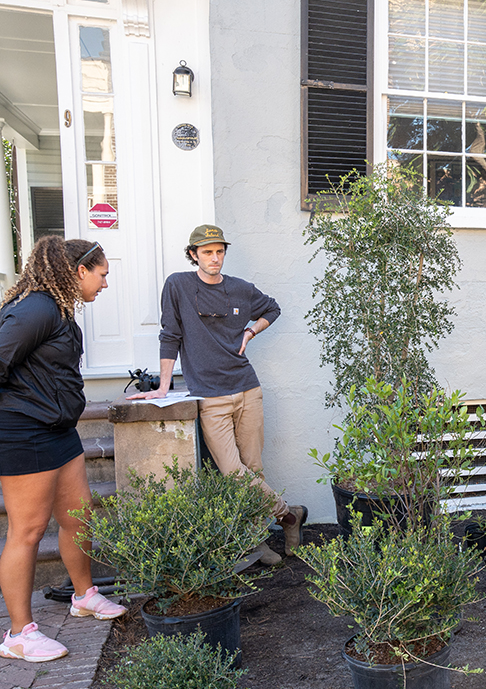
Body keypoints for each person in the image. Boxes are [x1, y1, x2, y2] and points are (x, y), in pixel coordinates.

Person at [128, 224, 305, 565]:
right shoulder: (178, 285)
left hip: (247, 389)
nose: (214, 258)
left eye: (219, 251)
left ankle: (256, 541)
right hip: (210, 396)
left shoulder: (240, 289)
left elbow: (272, 308)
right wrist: (164, 386)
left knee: (253, 468)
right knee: (234, 471)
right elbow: (170, 334)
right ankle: (289, 516)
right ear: (193, 254)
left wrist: (252, 330)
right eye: (206, 252)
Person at [0, 236, 127, 662]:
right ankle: (19, 633)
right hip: (25, 432)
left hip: (59, 430)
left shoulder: (56, 307)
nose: (105, 284)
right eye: (102, 274)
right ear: (79, 271)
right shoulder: (35, 307)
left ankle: (83, 594)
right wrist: (22, 406)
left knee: (79, 514)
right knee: (29, 530)